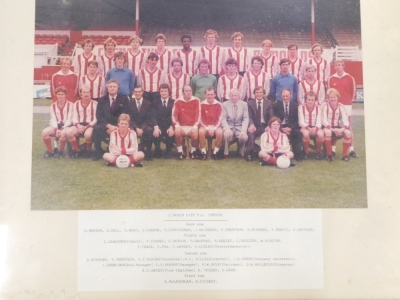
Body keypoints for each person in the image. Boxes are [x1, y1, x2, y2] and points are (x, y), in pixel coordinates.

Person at [92, 79, 130, 160]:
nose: (112, 88)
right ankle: (98, 152)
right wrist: (108, 126)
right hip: (106, 125)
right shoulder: (101, 100)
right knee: (96, 129)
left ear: (118, 88)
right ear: (107, 88)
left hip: (119, 125)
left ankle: (121, 151)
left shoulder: (124, 99)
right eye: (110, 86)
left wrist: (116, 127)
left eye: (114, 87)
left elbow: (125, 115)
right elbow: (99, 116)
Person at [328, 59, 357, 157]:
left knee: (349, 127)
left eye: (339, 65)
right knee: (335, 126)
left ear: (343, 66)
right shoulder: (331, 78)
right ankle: (333, 150)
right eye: (336, 65)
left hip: (346, 105)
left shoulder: (349, 78)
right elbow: (329, 92)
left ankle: (352, 150)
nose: (337, 67)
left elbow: (353, 94)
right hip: (334, 106)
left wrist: (348, 103)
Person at [65, 84, 98, 158]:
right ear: (81, 94)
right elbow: (74, 117)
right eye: (84, 92)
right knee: (68, 132)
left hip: (90, 125)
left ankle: (88, 150)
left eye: (88, 92)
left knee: (88, 135)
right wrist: (78, 126)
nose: (86, 94)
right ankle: (77, 150)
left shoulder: (95, 104)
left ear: (90, 93)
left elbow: (96, 119)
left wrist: (86, 126)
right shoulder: (76, 104)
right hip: (79, 125)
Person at [321, 88, 352, 162]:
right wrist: (332, 129)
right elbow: (323, 120)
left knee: (348, 133)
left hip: (337, 127)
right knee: (328, 132)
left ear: (337, 97)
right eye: (331, 97)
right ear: (328, 98)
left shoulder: (341, 106)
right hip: (327, 127)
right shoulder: (325, 105)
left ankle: (344, 155)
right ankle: (329, 155)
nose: (332, 99)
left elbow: (346, 120)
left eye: (334, 97)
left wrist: (342, 129)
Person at [41, 86, 73, 158]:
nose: (60, 96)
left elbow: (70, 119)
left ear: (65, 95)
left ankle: (60, 151)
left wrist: (62, 128)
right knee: (44, 132)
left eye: (62, 94)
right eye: (59, 94)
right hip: (56, 126)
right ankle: (50, 152)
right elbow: (53, 119)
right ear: (56, 95)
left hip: (66, 126)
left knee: (63, 133)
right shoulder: (53, 105)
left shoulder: (70, 105)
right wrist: (56, 129)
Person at [172, 85, 201, 160]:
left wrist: (195, 126)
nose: (188, 92)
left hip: (192, 126)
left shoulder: (196, 100)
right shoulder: (177, 101)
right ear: (183, 92)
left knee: (195, 134)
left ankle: (193, 151)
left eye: (190, 91)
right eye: (186, 91)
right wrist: (177, 126)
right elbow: (174, 115)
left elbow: (198, 114)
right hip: (181, 126)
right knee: (177, 132)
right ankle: (180, 152)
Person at [273, 88, 302, 161]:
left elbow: (297, 120)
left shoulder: (295, 105)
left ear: (291, 95)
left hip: (292, 126)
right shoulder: (276, 105)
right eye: (284, 96)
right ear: (281, 96)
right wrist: (281, 128)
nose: (285, 98)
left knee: (298, 133)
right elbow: (275, 119)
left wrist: (290, 129)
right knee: (276, 132)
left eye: (287, 96)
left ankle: (297, 153)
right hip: (280, 126)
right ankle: (278, 153)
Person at [246, 86, 273, 161]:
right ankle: (250, 153)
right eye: (257, 92)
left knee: (270, 133)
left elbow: (271, 116)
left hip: (264, 125)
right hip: (254, 125)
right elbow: (249, 116)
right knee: (250, 133)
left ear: (264, 94)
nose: (259, 94)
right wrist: (251, 124)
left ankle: (269, 152)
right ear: (254, 94)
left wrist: (269, 126)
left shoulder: (268, 103)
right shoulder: (250, 103)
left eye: (261, 92)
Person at [221, 88, 249, 158]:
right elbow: (223, 118)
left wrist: (243, 130)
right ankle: (225, 154)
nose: (234, 97)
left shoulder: (244, 104)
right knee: (226, 135)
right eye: (232, 96)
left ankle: (240, 153)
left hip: (239, 127)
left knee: (244, 137)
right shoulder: (224, 104)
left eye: (236, 95)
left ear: (238, 96)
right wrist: (226, 129)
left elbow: (246, 118)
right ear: (229, 96)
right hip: (229, 126)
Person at [128, 86, 154, 160]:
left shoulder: (148, 103)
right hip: (134, 125)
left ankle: (148, 152)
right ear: (133, 92)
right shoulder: (130, 103)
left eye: (139, 91)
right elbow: (130, 118)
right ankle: (132, 152)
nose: (138, 93)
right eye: (136, 92)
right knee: (130, 131)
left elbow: (148, 118)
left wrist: (142, 128)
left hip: (144, 126)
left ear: (142, 92)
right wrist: (136, 128)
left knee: (149, 130)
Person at [298, 91, 324, 160]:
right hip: (305, 127)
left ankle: (317, 151)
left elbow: (319, 121)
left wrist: (316, 128)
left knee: (321, 134)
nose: (310, 101)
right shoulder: (301, 107)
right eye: (308, 99)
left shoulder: (318, 108)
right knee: (306, 134)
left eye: (312, 100)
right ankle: (306, 152)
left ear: (315, 100)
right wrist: (308, 128)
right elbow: (301, 122)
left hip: (315, 127)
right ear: (305, 99)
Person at [199, 88, 223, 160]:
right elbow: (200, 119)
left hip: (215, 126)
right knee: (201, 131)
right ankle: (203, 152)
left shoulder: (219, 105)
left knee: (220, 132)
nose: (210, 96)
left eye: (211, 94)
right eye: (208, 95)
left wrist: (214, 128)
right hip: (204, 126)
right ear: (205, 95)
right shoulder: (201, 104)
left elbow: (220, 118)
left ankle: (215, 152)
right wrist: (207, 128)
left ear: (215, 95)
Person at [152, 83, 175, 158]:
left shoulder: (174, 102)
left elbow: (174, 116)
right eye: (162, 91)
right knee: (156, 131)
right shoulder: (155, 102)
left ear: (169, 92)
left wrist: (172, 126)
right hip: (159, 125)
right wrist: (156, 127)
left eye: (165, 91)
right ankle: (157, 150)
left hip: (169, 126)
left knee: (170, 132)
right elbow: (153, 116)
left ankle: (169, 150)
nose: (163, 93)